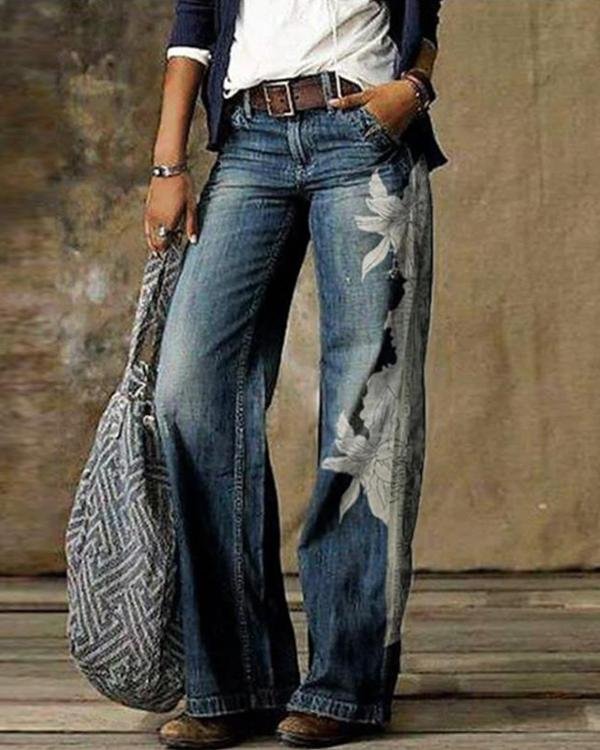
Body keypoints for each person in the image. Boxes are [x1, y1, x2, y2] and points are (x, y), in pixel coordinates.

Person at [146, 1, 447, 747]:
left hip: (365, 135)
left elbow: (427, 7)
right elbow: (195, 23)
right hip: (251, 141)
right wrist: (168, 162)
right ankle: (235, 681)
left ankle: (346, 686)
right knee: (188, 390)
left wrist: (413, 87)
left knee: (364, 407)